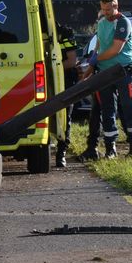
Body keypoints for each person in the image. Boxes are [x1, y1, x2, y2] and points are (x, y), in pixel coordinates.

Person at [80, 0, 132, 159]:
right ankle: (110, 148)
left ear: (116, 6)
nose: (105, 13)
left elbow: (116, 49)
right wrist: (90, 68)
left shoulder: (123, 23)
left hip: (123, 71)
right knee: (107, 110)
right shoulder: (102, 23)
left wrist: (96, 59)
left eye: (108, 9)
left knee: (129, 107)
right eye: (103, 9)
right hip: (105, 73)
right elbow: (99, 45)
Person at [54, 23, 79, 168]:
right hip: (42, 78)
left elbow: (71, 61)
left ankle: (61, 152)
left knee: (64, 116)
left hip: (65, 79)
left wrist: (51, 69)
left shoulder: (65, 32)